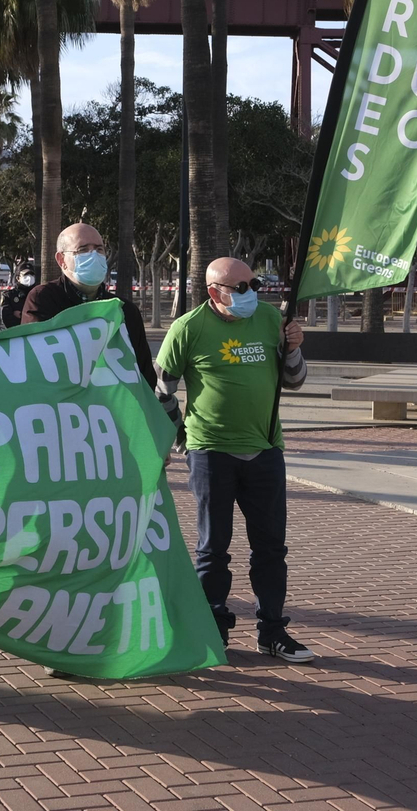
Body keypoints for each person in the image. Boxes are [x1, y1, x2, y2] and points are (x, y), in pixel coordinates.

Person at [154, 256, 312, 663]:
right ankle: (213, 629)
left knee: (271, 548)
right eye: (240, 288)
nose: (251, 294)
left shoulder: (269, 319)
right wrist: (181, 439)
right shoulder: (187, 328)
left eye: (254, 284)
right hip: (211, 454)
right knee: (213, 549)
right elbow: (161, 392)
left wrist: (293, 349)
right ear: (214, 292)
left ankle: (272, 631)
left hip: (265, 450)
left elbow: (293, 381)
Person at [21, 223, 156, 387]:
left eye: (99, 249)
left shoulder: (125, 310)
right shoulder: (43, 300)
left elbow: (145, 375)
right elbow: (35, 364)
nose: (94, 255)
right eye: (83, 250)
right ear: (61, 260)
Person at [0, 260, 38, 329]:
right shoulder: (9, 296)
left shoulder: (39, 294)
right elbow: (7, 319)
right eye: (26, 275)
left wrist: (21, 315)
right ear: (18, 278)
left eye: (32, 274)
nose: (29, 277)